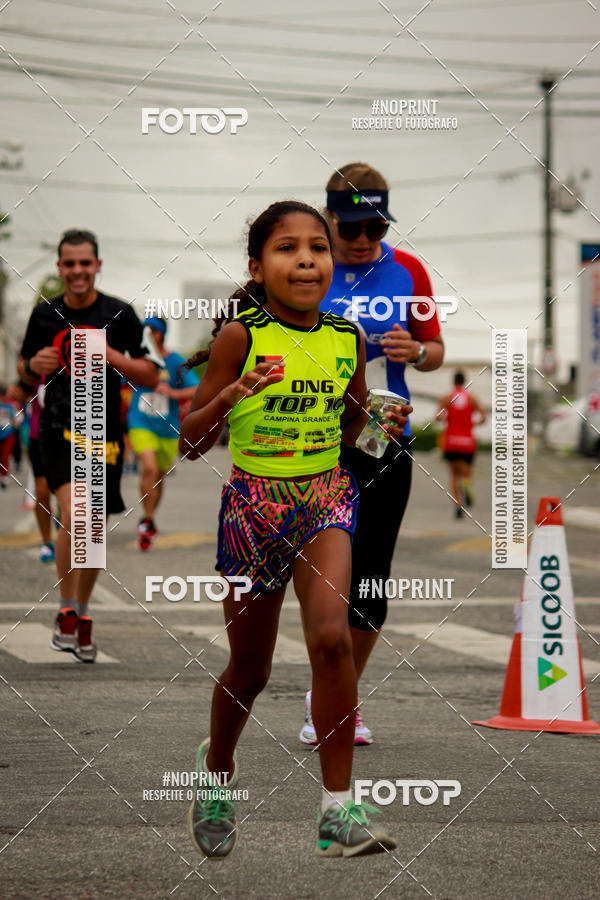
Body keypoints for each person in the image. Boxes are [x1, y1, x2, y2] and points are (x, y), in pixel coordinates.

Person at [179, 200, 410, 859]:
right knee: (249, 671)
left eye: (317, 247)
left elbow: (354, 434)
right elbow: (190, 446)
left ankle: (339, 812)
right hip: (254, 507)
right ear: (258, 265)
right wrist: (227, 398)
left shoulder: (345, 341)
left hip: (324, 499)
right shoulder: (240, 339)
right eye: (287, 248)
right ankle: (217, 771)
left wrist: (378, 435)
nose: (306, 258)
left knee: (333, 639)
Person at [299, 162, 445, 746]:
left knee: (371, 576)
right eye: (352, 228)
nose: (363, 241)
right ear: (329, 217)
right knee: (322, 578)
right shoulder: (307, 267)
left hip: (385, 434)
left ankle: (337, 701)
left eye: (375, 229)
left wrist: (420, 349)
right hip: (313, 437)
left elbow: (435, 350)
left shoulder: (408, 270)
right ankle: (327, 686)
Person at [18, 229, 159, 662]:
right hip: (58, 428)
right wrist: (34, 364)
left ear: (97, 265)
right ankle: (65, 607)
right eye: (69, 264)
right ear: (59, 267)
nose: (77, 271)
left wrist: (111, 356)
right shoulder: (44, 315)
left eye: (85, 263)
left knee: (93, 526)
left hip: (103, 432)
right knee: (76, 512)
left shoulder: (120, 314)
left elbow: (151, 375)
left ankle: (81, 611)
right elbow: (24, 373)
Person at [127, 316, 199, 550]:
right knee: (148, 467)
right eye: (145, 329)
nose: (149, 333)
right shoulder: (137, 359)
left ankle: (149, 518)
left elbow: (195, 388)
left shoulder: (175, 361)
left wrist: (171, 393)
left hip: (167, 428)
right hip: (140, 422)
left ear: (161, 334)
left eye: (153, 330)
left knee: (158, 475)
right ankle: (147, 520)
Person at [436, 370, 486, 517]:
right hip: (467, 442)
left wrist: (447, 416)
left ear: (453, 381)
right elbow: (483, 417)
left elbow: (438, 417)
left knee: (453, 475)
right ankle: (467, 485)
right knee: (466, 472)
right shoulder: (472, 398)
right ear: (464, 381)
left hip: (451, 441)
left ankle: (458, 505)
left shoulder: (446, 397)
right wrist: (473, 423)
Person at [0, 383, 17, 488]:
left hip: (8, 434)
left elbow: (15, 421)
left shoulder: (11, 406)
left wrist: (14, 424)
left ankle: (4, 478)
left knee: (5, 456)